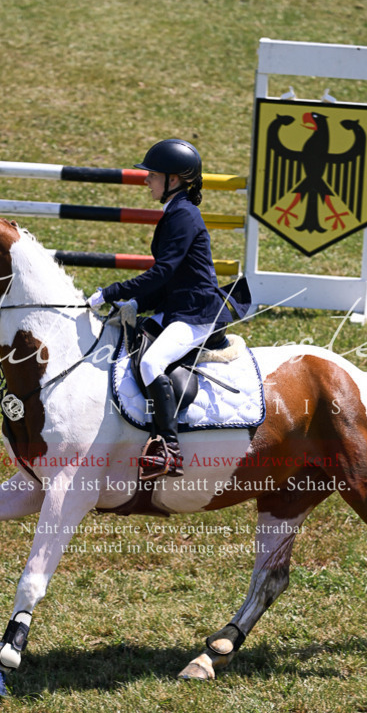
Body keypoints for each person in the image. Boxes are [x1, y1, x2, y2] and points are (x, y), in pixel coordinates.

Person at [88, 138, 249, 479]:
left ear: (173, 180)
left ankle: (169, 448)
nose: (145, 180)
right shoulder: (175, 211)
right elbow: (167, 279)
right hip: (175, 305)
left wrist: (113, 291)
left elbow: (163, 272)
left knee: (151, 362)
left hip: (195, 313)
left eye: (153, 175)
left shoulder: (183, 215)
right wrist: (135, 303)